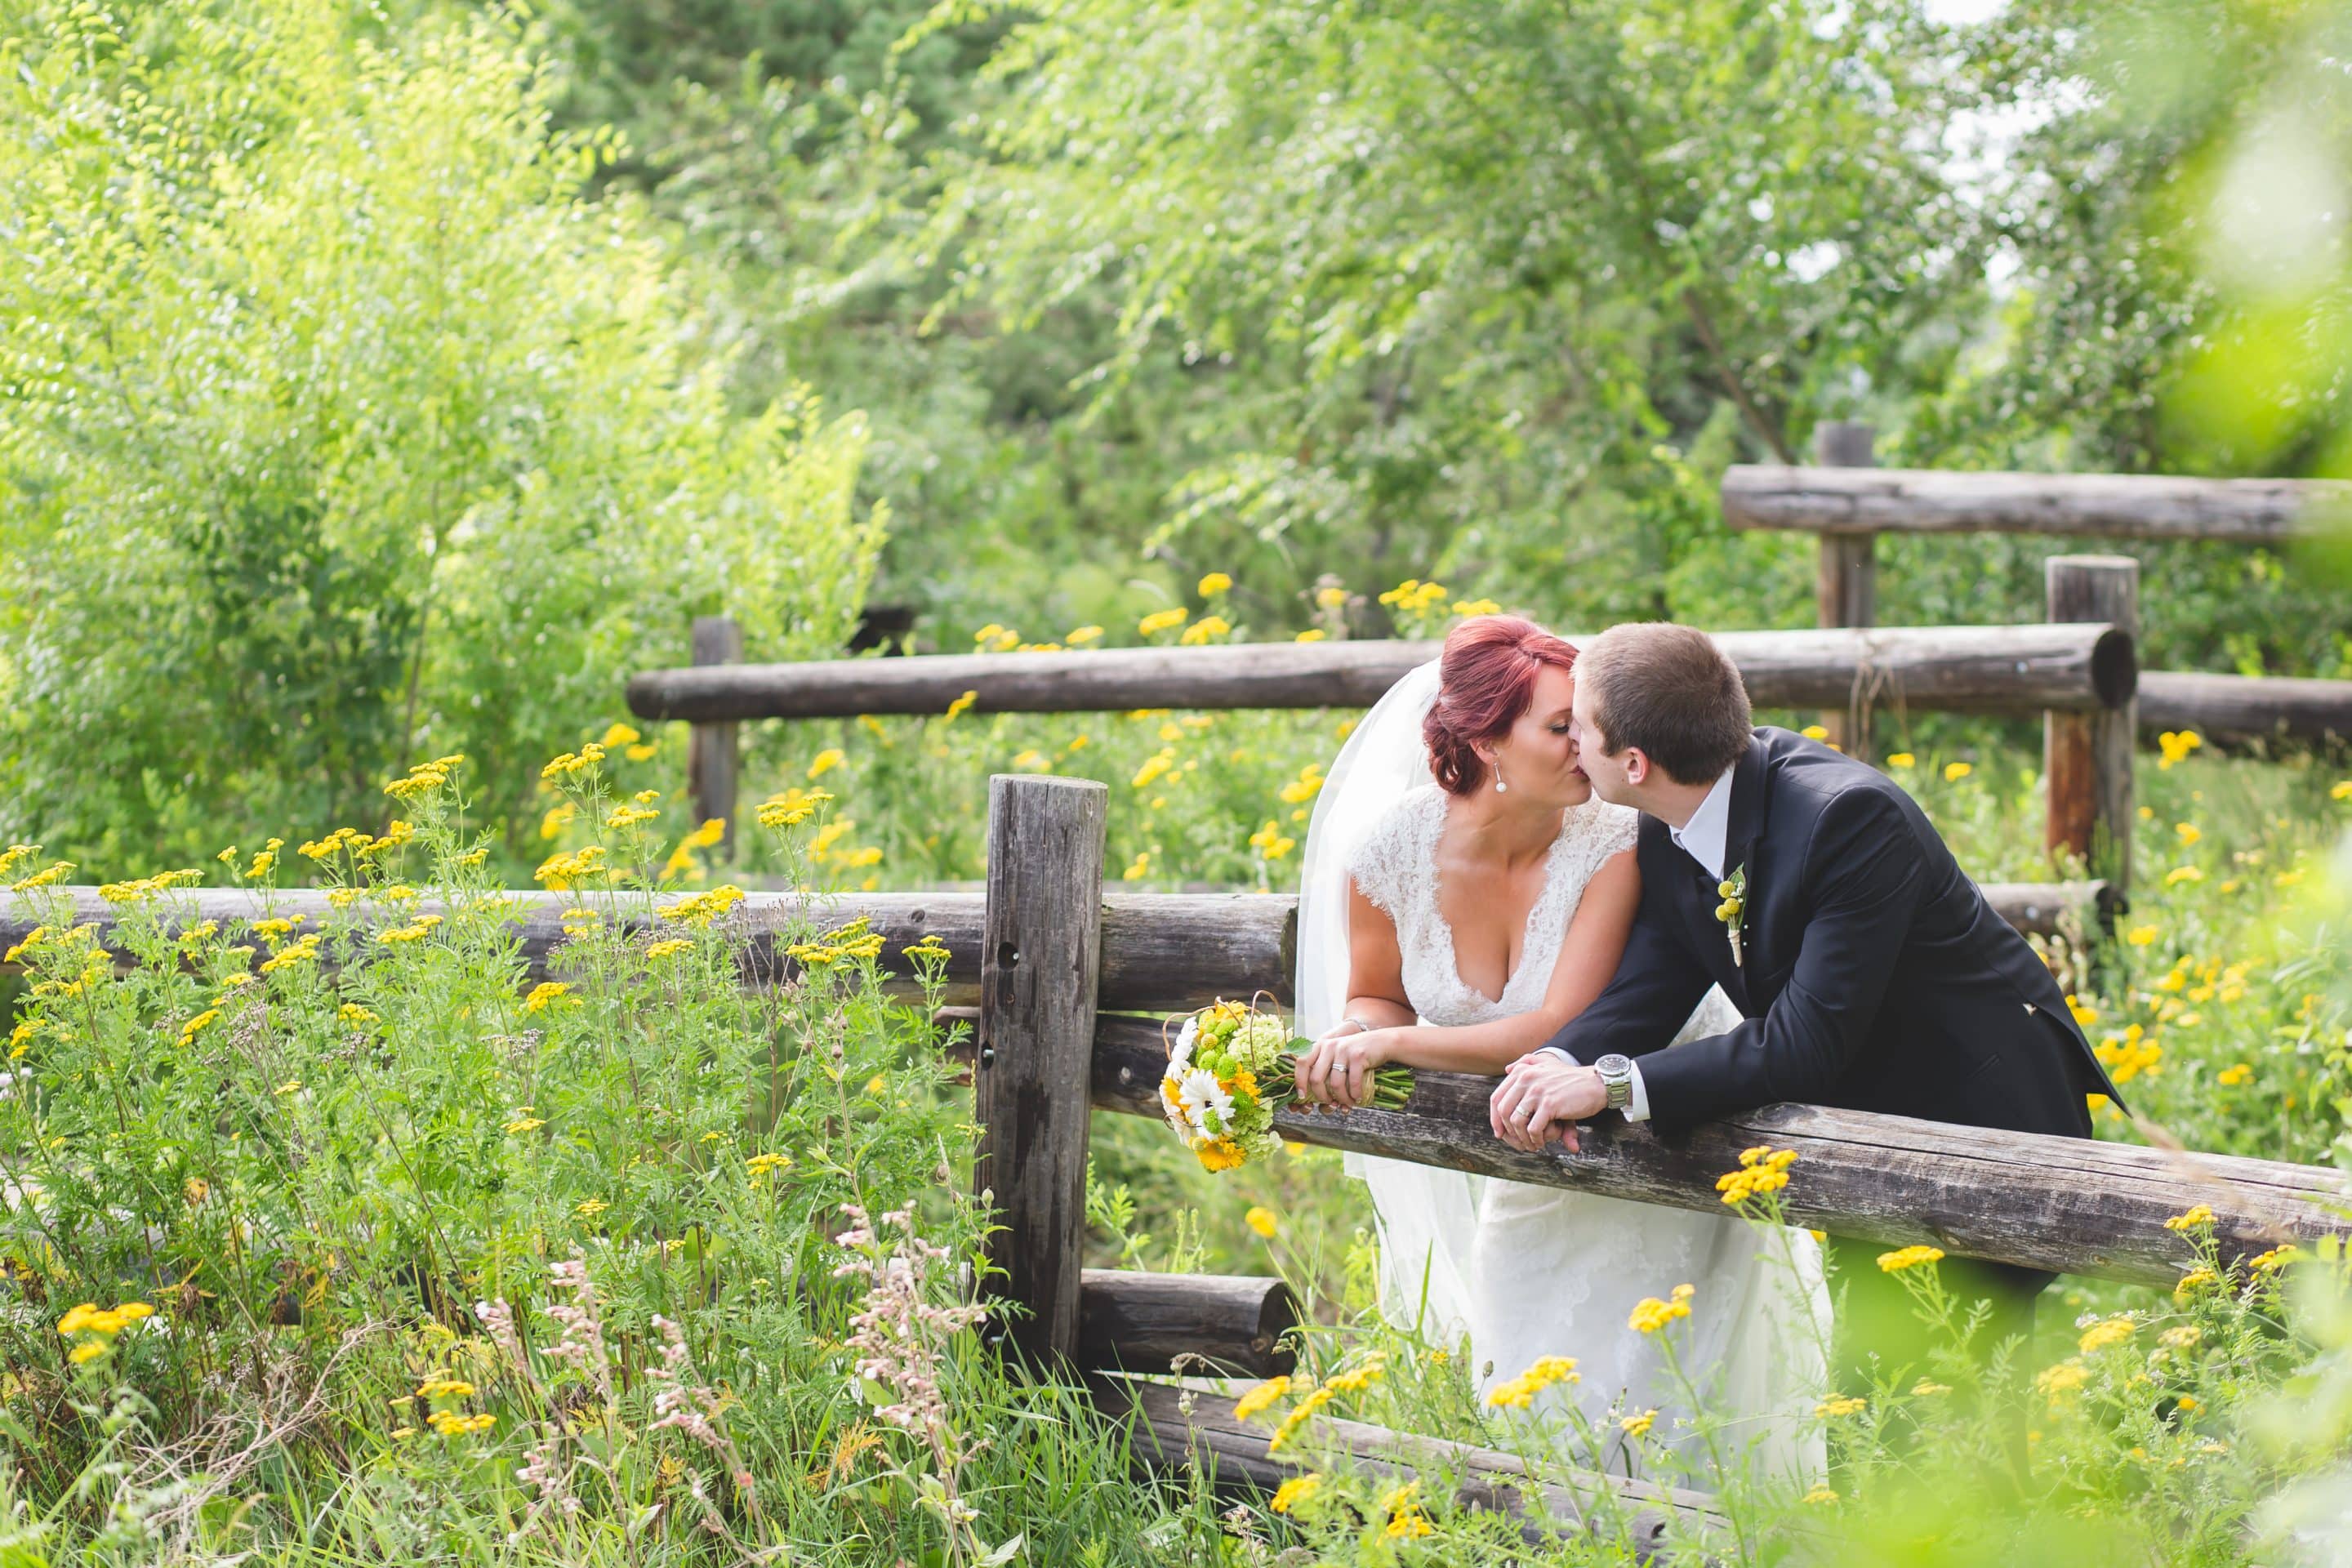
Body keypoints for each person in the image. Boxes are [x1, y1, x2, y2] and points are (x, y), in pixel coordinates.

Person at [1489, 621, 2123, 1401]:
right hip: (1871, 1120)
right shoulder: (1667, 816)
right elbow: (1654, 981)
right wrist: (1559, 1061)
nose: (1569, 744)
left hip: (1980, 1115)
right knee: (1898, 1388)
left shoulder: (1850, 819)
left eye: (1578, 727)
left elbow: (1803, 1044)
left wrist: (1611, 1084)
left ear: (1634, 762)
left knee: (1935, 1392)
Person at [1292, 615, 1828, 1480]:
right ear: (1484, 742)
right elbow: (1377, 992)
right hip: (1536, 1147)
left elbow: (1559, 1026)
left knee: (1690, 1395)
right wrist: (1356, 1033)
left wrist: (1393, 1042)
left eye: (1583, 721)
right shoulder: (1388, 851)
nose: (1587, 744)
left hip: (1663, 1126)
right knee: (1532, 1393)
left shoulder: (1617, 840)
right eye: (1560, 727)